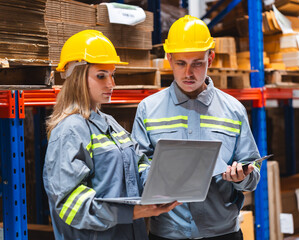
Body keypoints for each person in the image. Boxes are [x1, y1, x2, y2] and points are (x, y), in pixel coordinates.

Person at [131, 15, 261, 240]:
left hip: (222, 232)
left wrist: (241, 177)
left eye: (197, 63)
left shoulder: (234, 110)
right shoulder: (148, 109)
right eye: (181, 63)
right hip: (168, 233)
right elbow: (137, 167)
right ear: (169, 58)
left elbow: (253, 171)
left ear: (210, 58)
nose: (188, 73)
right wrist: (156, 180)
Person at [43, 30, 180, 240]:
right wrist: (134, 212)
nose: (111, 84)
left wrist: (162, 183)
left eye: (112, 74)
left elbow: (138, 162)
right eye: (101, 75)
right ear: (78, 77)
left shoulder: (110, 124)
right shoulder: (70, 130)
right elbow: (70, 203)